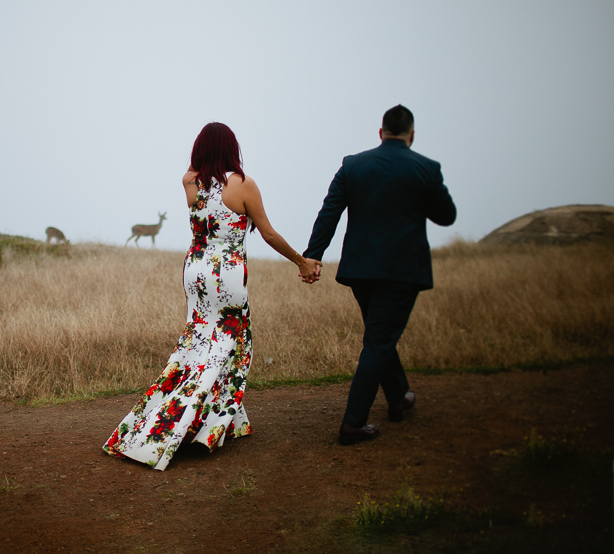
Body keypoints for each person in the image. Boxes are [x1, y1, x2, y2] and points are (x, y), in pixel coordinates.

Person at [104, 122, 321, 470]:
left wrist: (201, 158)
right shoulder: (243, 184)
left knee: (197, 344)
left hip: (195, 270)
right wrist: (301, 261)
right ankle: (181, 427)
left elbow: (194, 170)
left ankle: (219, 423)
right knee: (230, 348)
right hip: (227, 273)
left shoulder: (191, 182)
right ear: (232, 149)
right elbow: (266, 233)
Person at [303, 104, 456, 445]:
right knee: (379, 340)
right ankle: (353, 423)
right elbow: (446, 216)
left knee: (378, 334)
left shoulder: (352, 165)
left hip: (360, 269)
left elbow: (330, 212)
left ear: (380, 132)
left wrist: (313, 255)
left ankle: (399, 396)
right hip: (402, 271)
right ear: (411, 136)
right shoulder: (426, 169)